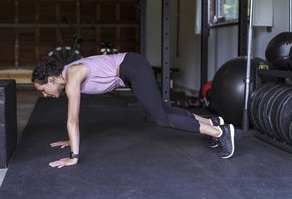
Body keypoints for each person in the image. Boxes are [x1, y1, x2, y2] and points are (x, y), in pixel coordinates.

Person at [31, 52, 235, 169]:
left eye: (42, 89)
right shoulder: (69, 72)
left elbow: (73, 119)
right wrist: (70, 139)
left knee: (161, 119)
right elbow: (73, 121)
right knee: (161, 109)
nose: (44, 94)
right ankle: (213, 122)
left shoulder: (72, 75)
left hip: (132, 67)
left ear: (50, 79)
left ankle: (220, 133)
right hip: (131, 68)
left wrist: (73, 155)